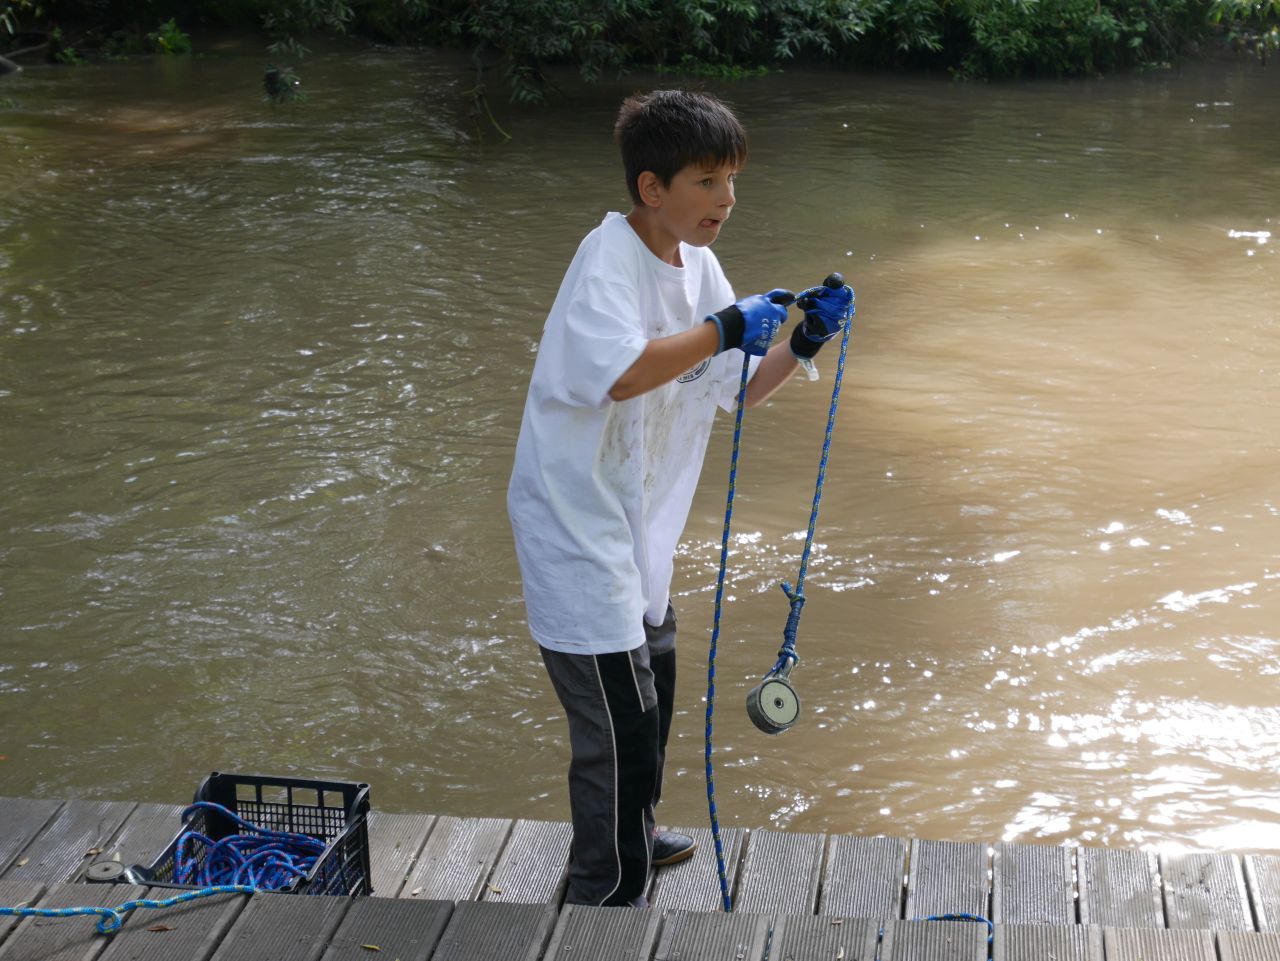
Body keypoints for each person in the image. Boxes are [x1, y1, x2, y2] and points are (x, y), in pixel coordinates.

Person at [506, 89, 852, 908]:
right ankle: (602, 887)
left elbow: (739, 387)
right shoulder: (606, 261)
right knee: (618, 720)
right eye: (706, 181)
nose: (726, 199)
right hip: (576, 522)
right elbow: (624, 373)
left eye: (732, 180)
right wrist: (726, 328)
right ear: (652, 188)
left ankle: (634, 831)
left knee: (652, 694)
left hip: (639, 529)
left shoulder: (699, 267)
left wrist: (805, 339)